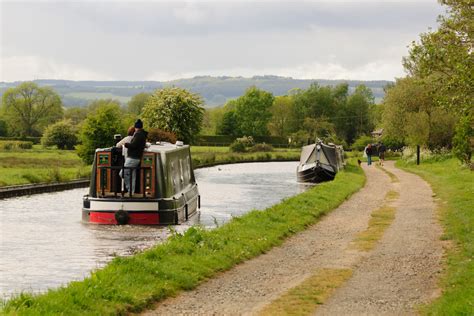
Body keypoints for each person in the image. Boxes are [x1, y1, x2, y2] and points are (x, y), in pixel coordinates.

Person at [123, 119, 148, 194]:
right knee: (132, 175)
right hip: (137, 158)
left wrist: (126, 144)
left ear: (136, 127)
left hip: (132, 158)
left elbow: (134, 145)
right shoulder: (143, 135)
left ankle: (129, 190)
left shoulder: (138, 134)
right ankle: (132, 191)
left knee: (122, 173)